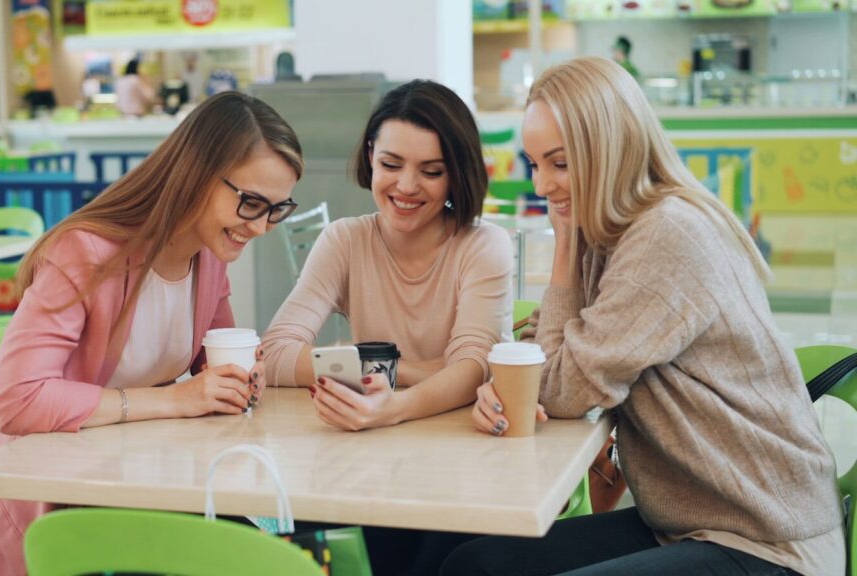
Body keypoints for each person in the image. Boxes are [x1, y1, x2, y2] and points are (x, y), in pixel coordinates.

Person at [443, 56, 844, 576]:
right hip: (685, 519)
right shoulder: (615, 231)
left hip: (765, 539)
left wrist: (563, 243)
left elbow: (561, 388)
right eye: (534, 163)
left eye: (560, 164)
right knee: (476, 565)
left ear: (610, 150)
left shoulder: (666, 235)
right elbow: (548, 345)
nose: (542, 186)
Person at [0, 92, 304, 575]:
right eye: (250, 203)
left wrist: (238, 380)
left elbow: (211, 364)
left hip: (144, 482)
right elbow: (16, 400)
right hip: (55, 503)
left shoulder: (208, 256)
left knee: (274, 553)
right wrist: (174, 400)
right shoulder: (85, 253)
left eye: (276, 209)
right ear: (197, 172)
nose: (261, 227)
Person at [262, 78, 514, 576]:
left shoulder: (482, 246)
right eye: (391, 164)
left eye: (431, 171)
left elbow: (472, 367)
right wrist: (418, 372)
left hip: (463, 470)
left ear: (457, 174)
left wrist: (386, 395)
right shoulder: (345, 241)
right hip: (365, 467)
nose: (404, 186)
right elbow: (272, 354)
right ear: (371, 158)